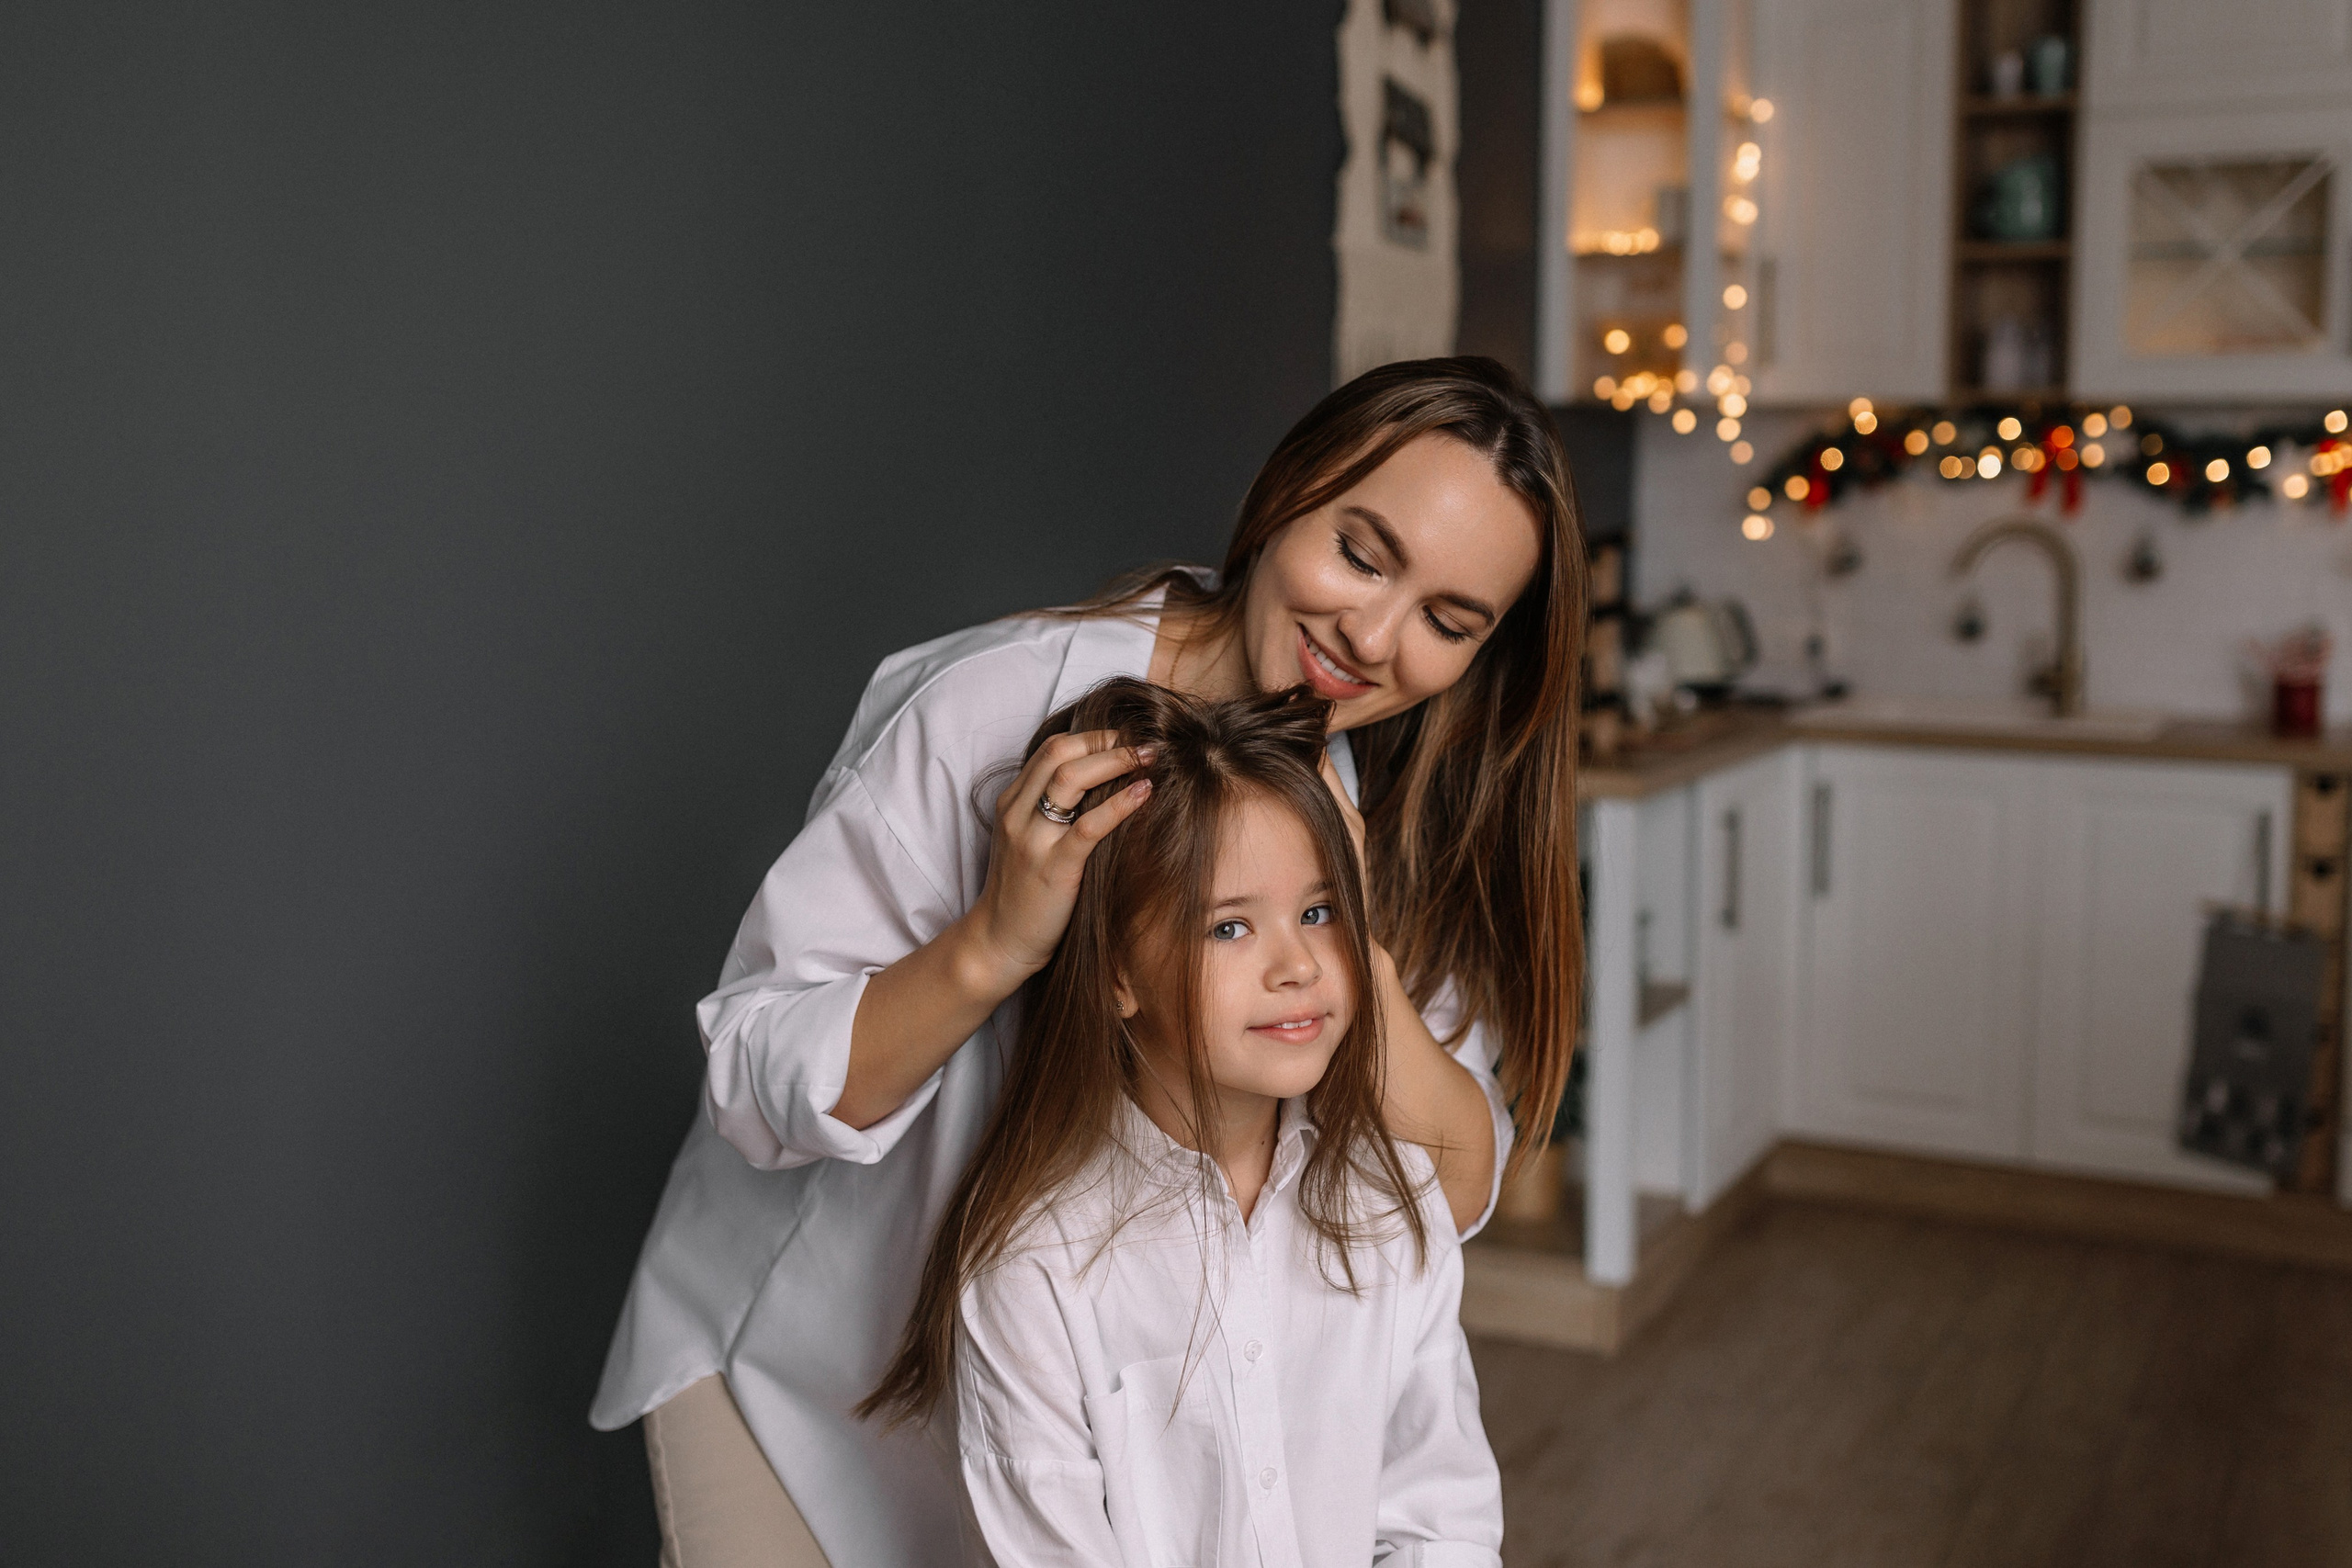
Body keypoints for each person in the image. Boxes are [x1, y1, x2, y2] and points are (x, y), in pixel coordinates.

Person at [593, 356, 1585, 1566]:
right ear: (1290, 492)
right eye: (1363, 553)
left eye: (1447, 619)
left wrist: (1352, 932)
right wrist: (996, 943)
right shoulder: (992, 708)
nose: (1372, 636)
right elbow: (757, 1083)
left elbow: (1450, 1182)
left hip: (1094, 1428)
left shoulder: (1382, 807)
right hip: (809, 1373)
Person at [863, 678, 1502, 1568]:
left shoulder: (1393, 1208)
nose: (1297, 966)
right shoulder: (1031, 1267)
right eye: (1229, 928)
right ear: (1116, 974)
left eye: (1319, 913)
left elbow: (1443, 1522)